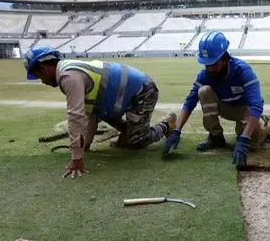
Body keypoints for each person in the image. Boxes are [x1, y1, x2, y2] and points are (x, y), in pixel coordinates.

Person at [23, 44, 176, 179]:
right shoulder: (70, 69)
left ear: (44, 68)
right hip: (121, 98)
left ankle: (166, 125)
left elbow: (76, 117)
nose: (42, 81)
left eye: (38, 76)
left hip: (142, 91)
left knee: (137, 141)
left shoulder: (68, 76)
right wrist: (85, 145)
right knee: (110, 120)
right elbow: (92, 113)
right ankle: (127, 132)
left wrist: (77, 158)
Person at [162, 31, 270, 168]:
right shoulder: (204, 75)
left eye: (213, 64)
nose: (209, 69)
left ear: (225, 59)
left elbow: (256, 104)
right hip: (225, 107)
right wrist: (177, 130)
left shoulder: (243, 71)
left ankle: (265, 123)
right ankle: (216, 137)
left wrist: (245, 138)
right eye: (206, 65)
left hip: (246, 109)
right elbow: (189, 102)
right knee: (203, 91)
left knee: (251, 140)